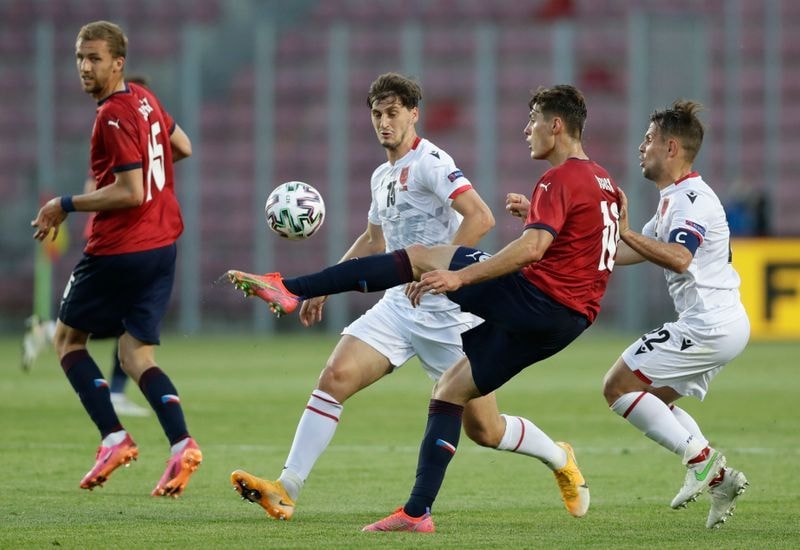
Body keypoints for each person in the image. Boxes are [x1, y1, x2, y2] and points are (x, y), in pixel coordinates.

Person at [227, 84, 621, 531]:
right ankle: (287, 488)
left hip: (448, 313)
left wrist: (447, 275)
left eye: (393, 112)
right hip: (400, 304)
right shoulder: (382, 177)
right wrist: (326, 284)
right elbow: (375, 242)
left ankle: (558, 455)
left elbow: (481, 217)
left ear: (414, 114)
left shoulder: (431, 163)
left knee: (484, 430)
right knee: (335, 377)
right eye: (377, 114)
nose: (384, 122)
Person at [30, 21, 201, 496]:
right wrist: (153, 177)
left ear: (118, 62)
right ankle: (181, 443)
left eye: (95, 59)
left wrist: (62, 205)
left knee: (67, 341)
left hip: (119, 248)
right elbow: (182, 147)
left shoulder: (111, 115)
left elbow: (129, 191)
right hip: (163, 244)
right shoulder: (147, 100)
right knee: (133, 354)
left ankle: (114, 437)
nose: (86, 67)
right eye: (80, 58)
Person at [602, 100, 750, 529]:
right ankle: (719, 478)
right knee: (651, 401)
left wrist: (627, 230)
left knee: (617, 387)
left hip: (709, 325)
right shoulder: (673, 199)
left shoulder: (691, 200)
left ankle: (701, 460)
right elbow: (628, 250)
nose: (640, 146)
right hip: (716, 324)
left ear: (670, 148)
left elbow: (681, 258)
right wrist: (559, 246)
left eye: (648, 139)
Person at [21, 76, 153, 419]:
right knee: (127, 321)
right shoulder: (115, 132)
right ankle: (116, 392)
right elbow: (96, 184)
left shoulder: (135, 135)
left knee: (125, 321)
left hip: (131, 241)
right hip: (114, 242)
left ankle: (49, 331)